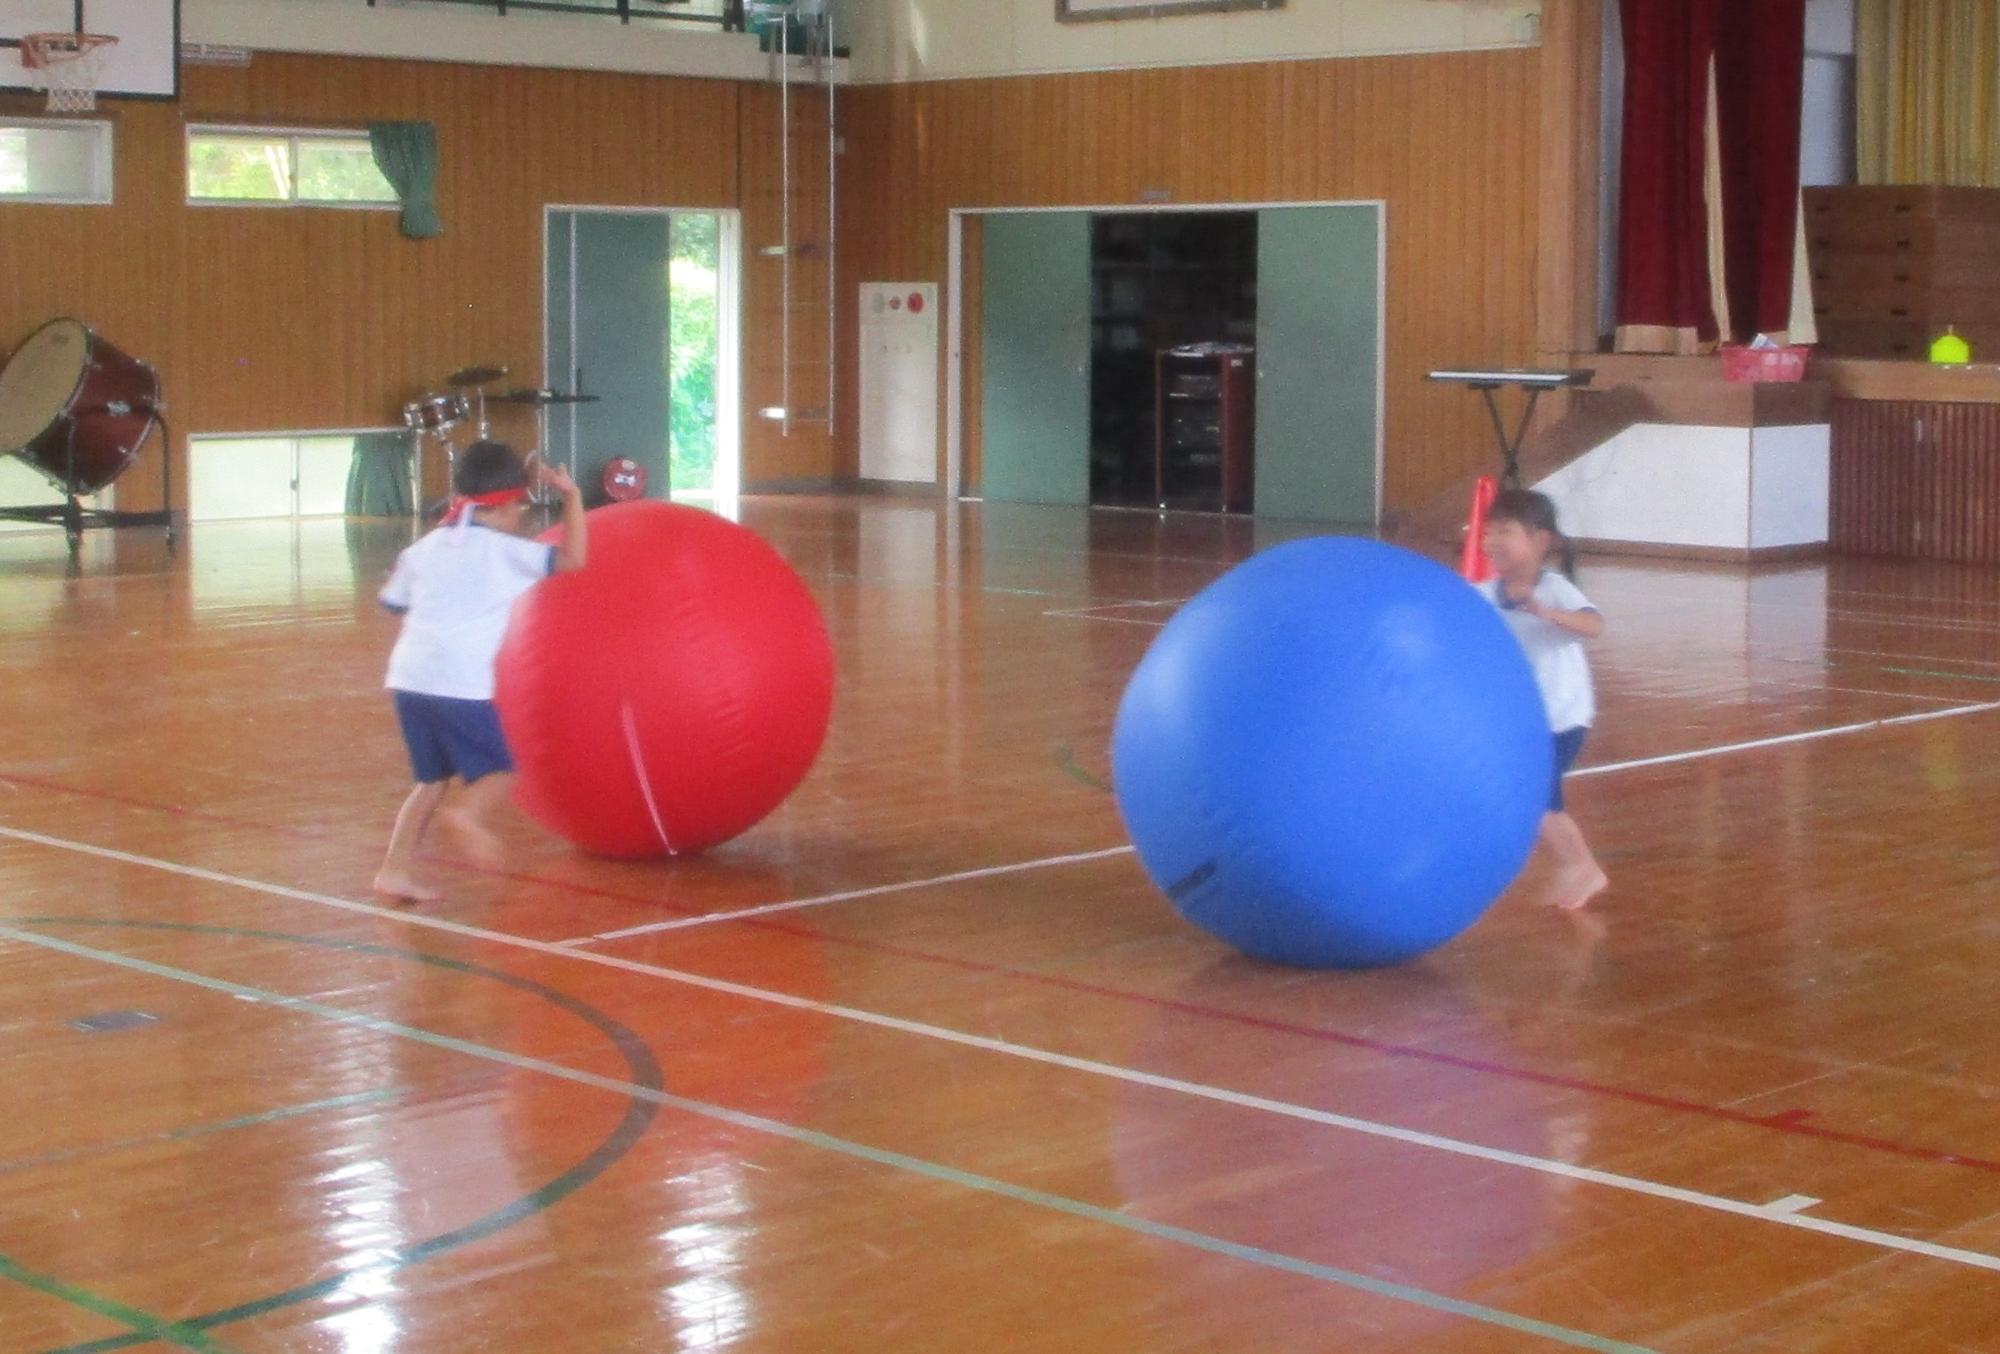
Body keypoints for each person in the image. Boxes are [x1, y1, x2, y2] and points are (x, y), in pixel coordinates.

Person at [373, 440, 586, 902]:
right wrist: (572, 496)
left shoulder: (426, 547)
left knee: (430, 781)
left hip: (409, 677)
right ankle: (466, 815)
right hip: (458, 682)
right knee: (501, 772)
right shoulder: (505, 552)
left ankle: (394, 869)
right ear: (509, 505)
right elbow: (574, 559)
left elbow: (392, 602)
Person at [1478, 488, 1607, 911]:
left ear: (1540, 541)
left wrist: (1544, 612)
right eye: (1488, 530)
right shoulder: (1484, 593)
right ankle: (1577, 866)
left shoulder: (1554, 589)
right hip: (1520, 724)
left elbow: (1592, 625)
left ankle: (1581, 866)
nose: (1491, 540)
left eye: (1505, 531)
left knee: (1536, 799)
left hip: (1562, 719)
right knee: (1536, 800)